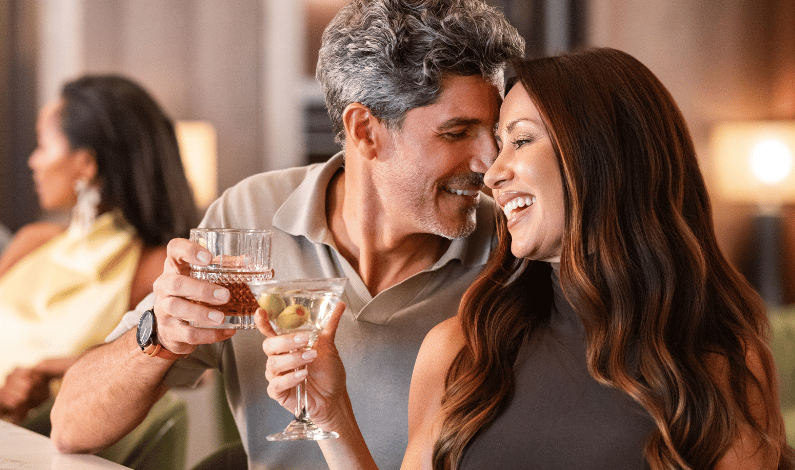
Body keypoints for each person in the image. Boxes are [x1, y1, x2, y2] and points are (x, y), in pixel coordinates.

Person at [259, 48, 795, 469]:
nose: (492, 173)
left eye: (519, 141)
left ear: (604, 157)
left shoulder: (716, 364)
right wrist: (331, 414)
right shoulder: (462, 349)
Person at [50, 1, 524, 468]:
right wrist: (157, 335)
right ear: (366, 131)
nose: (491, 163)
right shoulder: (249, 216)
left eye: (497, 134)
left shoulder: (512, 249)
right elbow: (70, 426)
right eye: (458, 133)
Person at [0, 75, 199, 425]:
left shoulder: (152, 267)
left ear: (86, 164)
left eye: (42, 145)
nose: (33, 161)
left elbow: (177, 360)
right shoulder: (32, 242)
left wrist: (52, 372)